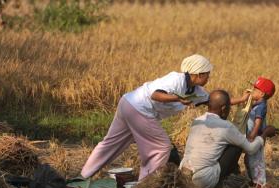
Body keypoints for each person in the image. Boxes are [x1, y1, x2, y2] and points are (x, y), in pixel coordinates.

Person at [81, 54, 248, 180]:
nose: (208, 78)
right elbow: (156, 95)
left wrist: (241, 100)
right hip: (139, 108)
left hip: (128, 103)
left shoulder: (196, 91)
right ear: (196, 74)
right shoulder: (176, 80)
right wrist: (177, 98)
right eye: (206, 74)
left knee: (111, 143)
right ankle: (145, 185)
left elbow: (216, 102)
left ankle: (84, 175)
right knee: (162, 147)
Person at [180, 90, 279, 188]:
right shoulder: (226, 127)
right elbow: (250, 149)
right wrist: (265, 133)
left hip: (183, 176)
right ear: (224, 108)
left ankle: (233, 176)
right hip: (203, 181)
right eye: (229, 107)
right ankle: (226, 181)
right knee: (236, 146)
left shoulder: (197, 121)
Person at [244, 77, 276, 188]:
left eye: (255, 90)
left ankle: (260, 184)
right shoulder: (257, 104)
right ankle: (253, 181)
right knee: (248, 160)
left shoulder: (261, 107)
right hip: (253, 136)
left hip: (256, 137)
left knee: (256, 161)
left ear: (262, 94)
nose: (252, 91)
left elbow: (258, 121)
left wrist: (252, 135)